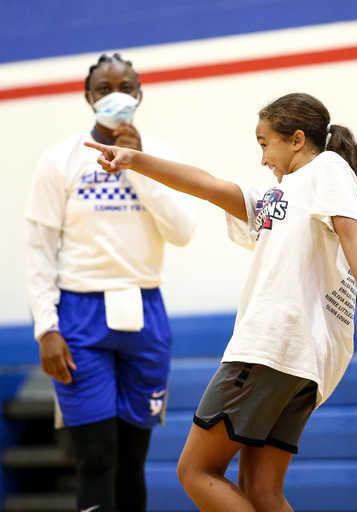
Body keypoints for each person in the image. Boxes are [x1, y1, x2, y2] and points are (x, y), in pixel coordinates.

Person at [85, 92, 357, 512]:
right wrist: (135, 160)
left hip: (271, 346)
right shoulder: (278, 200)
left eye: (265, 143)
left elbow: (354, 232)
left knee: (195, 472)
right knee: (262, 492)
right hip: (302, 364)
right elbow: (207, 184)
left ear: (297, 139)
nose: (263, 157)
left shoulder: (326, 168)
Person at [25, 53, 196, 512]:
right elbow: (39, 250)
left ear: (139, 94)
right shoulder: (58, 160)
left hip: (145, 311)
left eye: (125, 86)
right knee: (97, 457)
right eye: (104, 87)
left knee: (132, 461)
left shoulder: (164, 155)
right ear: (89, 96)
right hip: (80, 315)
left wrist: (141, 165)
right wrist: (47, 327)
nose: (115, 95)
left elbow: (182, 232)